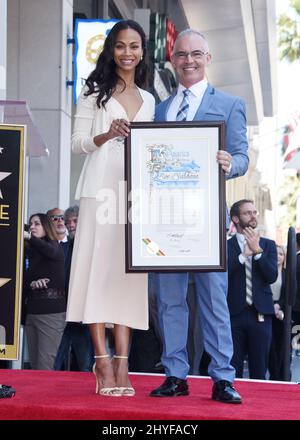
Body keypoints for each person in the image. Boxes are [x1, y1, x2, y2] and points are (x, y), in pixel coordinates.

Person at [149, 29, 248, 403]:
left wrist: (229, 162)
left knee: (213, 299)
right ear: (173, 61)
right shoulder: (160, 111)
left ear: (208, 58)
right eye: (181, 55)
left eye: (196, 54)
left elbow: (242, 155)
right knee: (169, 300)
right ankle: (175, 373)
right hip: (166, 220)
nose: (188, 61)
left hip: (207, 221)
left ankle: (223, 377)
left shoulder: (230, 103)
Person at [66, 20, 155, 396]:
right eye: (121, 46)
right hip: (99, 192)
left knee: (128, 277)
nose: (128, 53)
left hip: (135, 199)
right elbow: (77, 144)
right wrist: (107, 133)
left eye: (134, 46)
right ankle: (101, 361)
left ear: (142, 50)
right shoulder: (93, 94)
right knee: (96, 273)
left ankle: (124, 363)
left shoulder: (150, 100)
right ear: (110, 49)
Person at [227, 199, 278, 379]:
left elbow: (271, 276)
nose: (252, 216)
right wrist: (243, 256)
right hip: (233, 314)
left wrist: (257, 252)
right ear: (235, 218)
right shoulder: (226, 246)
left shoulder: (268, 245)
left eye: (254, 212)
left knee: (259, 368)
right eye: (247, 213)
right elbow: (223, 275)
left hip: (261, 314)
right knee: (233, 367)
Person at [23, 213, 66, 370]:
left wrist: (29, 236)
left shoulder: (55, 247)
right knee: (34, 365)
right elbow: (23, 282)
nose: (32, 227)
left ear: (46, 227)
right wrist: (33, 284)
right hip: (32, 312)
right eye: (30, 224)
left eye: (37, 224)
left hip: (51, 314)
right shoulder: (30, 252)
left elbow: (50, 251)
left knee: (44, 365)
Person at [54, 205, 94, 372]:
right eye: (68, 221)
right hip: (62, 311)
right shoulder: (63, 247)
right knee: (54, 361)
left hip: (83, 313)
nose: (70, 225)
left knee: (86, 363)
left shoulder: (93, 247)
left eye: (75, 221)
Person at [268, 245, 286, 380]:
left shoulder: (287, 273)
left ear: (284, 257)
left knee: (280, 347)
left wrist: (279, 306)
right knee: (269, 347)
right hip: (267, 311)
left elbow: (290, 293)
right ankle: (272, 374)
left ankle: (279, 377)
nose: (278, 256)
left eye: (281, 254)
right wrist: (271, 306)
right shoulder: (267, 271)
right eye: (276, 253)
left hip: (281, 314)